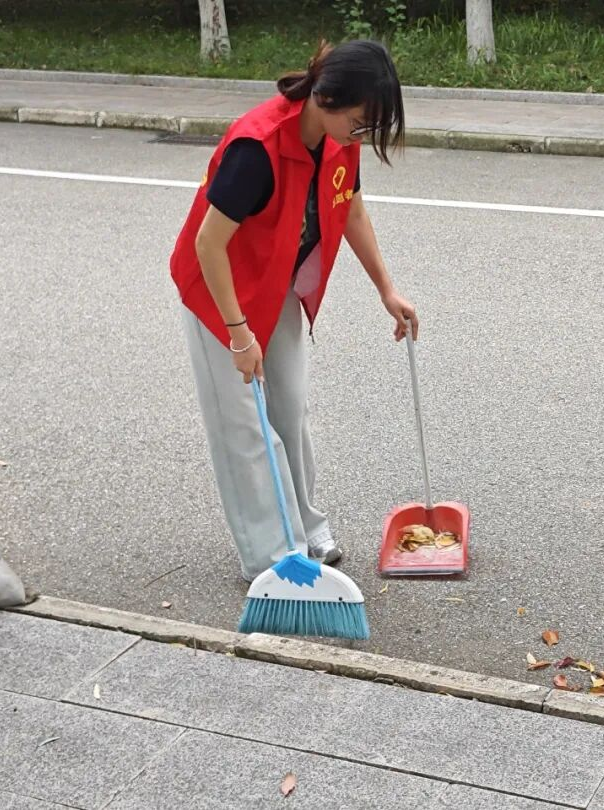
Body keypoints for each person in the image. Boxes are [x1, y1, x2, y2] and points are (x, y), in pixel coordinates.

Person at [170, 40, 417, 582]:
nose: (362, 135)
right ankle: (273, 558)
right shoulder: (256, 148)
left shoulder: (338, 139)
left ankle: (305, 528)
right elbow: (208, 244)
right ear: (326, 98)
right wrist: (238, 335)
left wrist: (386, 289)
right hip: (218, 290)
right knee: (244, 425)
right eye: (360, 122)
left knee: (288, 408)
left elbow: (350, 208)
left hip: (275, 279)